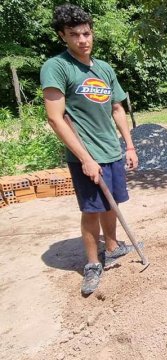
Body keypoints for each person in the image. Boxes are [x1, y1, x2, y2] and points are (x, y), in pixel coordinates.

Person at [41, 4, 141, 296]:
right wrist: (85, 158)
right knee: (92, 210)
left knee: (112, 204)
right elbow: (55, 118)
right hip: (86, 154)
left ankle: (111, 245)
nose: (83, 40)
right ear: (63, 36)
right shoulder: (57, 67)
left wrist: (129, 145)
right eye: (74, 35)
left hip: (111, 151)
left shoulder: (104, 68)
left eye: (86, 33)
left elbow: (117, 108)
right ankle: (93, 263)